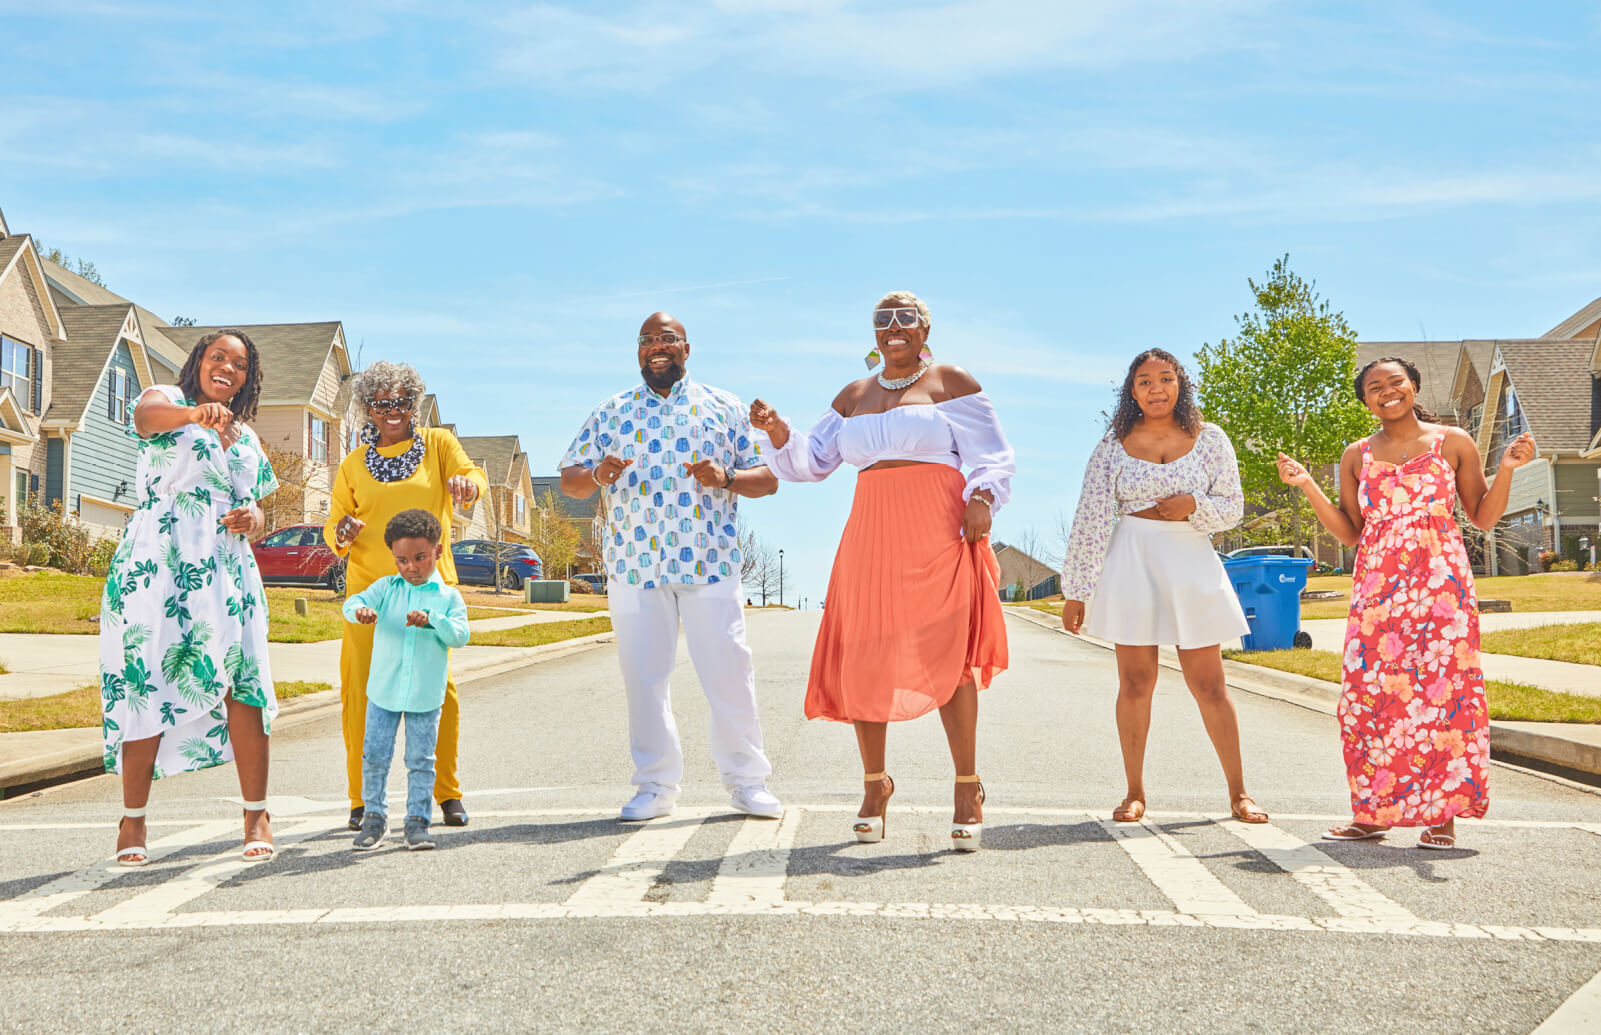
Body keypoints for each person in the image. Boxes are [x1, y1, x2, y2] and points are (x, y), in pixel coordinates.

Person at [750, 291, 1013, 851]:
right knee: (865, 655)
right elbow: (811, 461)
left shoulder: (950, 382)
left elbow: (992, 454)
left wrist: (983, 497)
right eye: (882, 320)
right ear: (873, 333)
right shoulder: (854, 394)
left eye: (905, 319)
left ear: (924, 328)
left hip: (939, 526)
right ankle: (875, 786)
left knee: (950, 654)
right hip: (871, 531)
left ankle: (967, 788)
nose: (893, 328)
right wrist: (776, 430)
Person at [1277, 357, 1535, 849]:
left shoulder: (1453, 442)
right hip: (1379, 593)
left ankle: (1443, 815)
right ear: (1366, 400)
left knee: (1444, 696)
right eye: (1374, 387)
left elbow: (1482, 516)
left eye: (1396, 382)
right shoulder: (1356, 455)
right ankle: (1372, 812)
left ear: (1413, 386)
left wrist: (1507, 469)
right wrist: (1308, 484)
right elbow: (1350, 532)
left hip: (1442, 591)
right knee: (1369, 698)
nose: (1387, 391)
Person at [560, 312, 783, 823]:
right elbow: (571, 479)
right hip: (634, 567)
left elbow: (768, 478)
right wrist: (597, 473)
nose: (656, 348)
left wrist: (727, 477)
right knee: (643, 679)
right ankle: (655, 786)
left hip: (711, 562)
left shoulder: (723, 407)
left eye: (667, 340)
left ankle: (748, 782)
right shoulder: (611, 412)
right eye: (647, 341)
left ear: (687, 348)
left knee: (729, 672)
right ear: (638, 352)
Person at [1059, 349, 1268, 825]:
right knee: (1135, 682)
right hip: (1133, 558)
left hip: (1191, 559)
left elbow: (1232, 505)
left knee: (1210, 684)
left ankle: (1240, 794)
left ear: (1181, 384)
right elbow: (1091, 517)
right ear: (1131, 391)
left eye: (1166, 379)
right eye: (1145, 381)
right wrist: (1077, 589)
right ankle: (1134, 792)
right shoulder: (1112, 445)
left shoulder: (1211, 438)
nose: (1156, 388)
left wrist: (1193, 504)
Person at [100, 329, 280, 865]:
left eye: (239, 364)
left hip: (226, 566)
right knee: (144, 678)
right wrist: (196, 416)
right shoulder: (168, 400)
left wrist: (255, 518)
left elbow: (258, 508)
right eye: (217, 357)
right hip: (159, 562)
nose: (226, 368)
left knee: (243, 679)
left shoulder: (246, 437)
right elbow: (145, 420)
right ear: (199, 361)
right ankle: (132, 822)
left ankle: (256, 813)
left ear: (247, 377)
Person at [323, 362, 489, 831]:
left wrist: (468, 486)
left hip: (429, 591)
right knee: (361, 693)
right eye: (381, 403)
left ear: (414, 403)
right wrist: (342, 529)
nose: (392, 412)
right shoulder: (353, 465)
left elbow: (472, 476)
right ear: (368, 409)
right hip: (371, 596)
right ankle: (360, 798)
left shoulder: (438, 446)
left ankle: (447, 793)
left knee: (440, 695)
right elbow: (333, 529)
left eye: (401, 402)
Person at [345, 509, 470, 852]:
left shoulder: (448, 598)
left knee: (421, 760)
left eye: (420, 558)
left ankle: (418, 822)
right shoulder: (385, 588)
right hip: (383, 692)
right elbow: (354, 602)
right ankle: (374, 818)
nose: (411, 567)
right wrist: (360, 611)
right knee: (374, 756)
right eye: (402, 560)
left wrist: (433, 620)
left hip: (424, 696)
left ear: (438, 552)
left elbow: (460, 635)